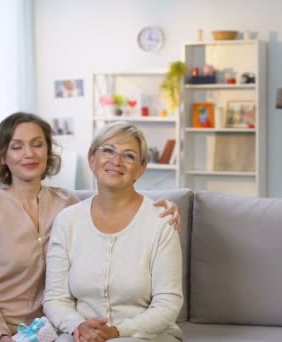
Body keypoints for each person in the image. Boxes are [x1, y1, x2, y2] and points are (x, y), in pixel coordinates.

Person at [0, 113, 181, 342]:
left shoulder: (66, 204)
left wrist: (165, 208)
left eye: (37, 145)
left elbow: (114, 197)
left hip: (44, 324)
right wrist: (1, 335)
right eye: (17, 147)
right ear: (2, 155)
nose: (29, 154)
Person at [43, 121, 183, 342]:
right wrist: (79, 325)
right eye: (108, 150)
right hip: (81, 333)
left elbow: (168, 304)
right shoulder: (67, 221)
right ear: (92, 159)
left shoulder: (161, 221)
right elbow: (55, 298)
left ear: (141, 168)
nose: (116, 161)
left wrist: (117, 332)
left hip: (146, 335)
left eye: (129, 155)